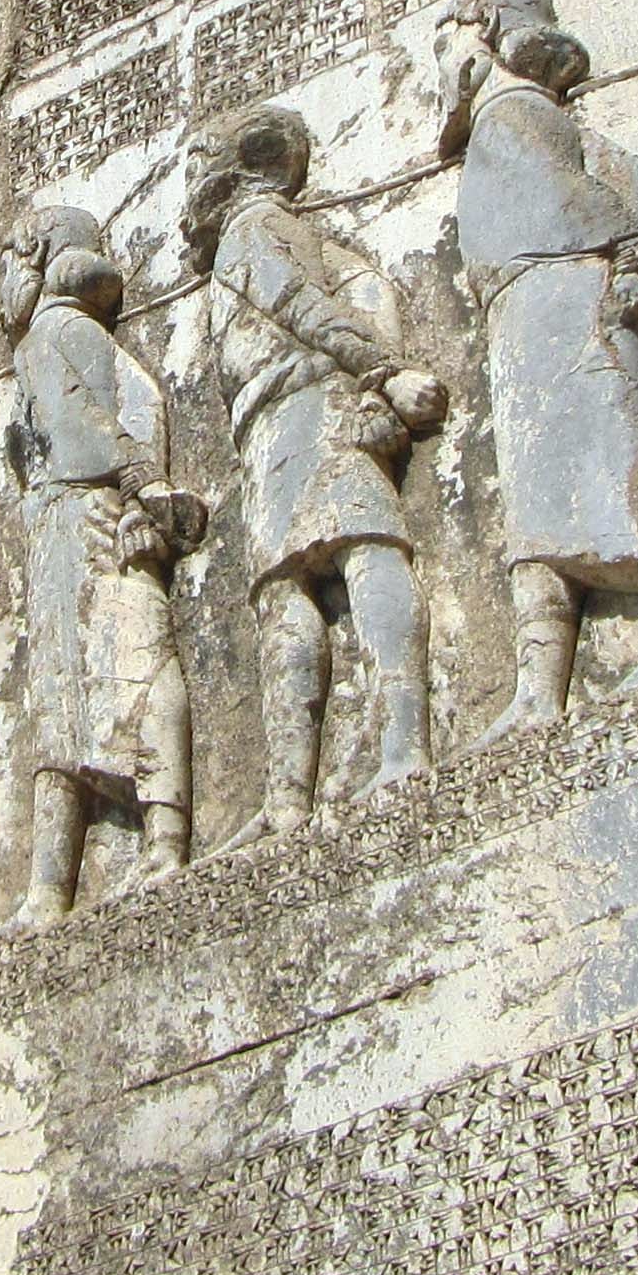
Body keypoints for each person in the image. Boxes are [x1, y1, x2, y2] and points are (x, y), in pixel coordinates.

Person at [434, 0, 638, 737]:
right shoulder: (504, 115)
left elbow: (579, 186)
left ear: (482, 30)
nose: (442, 61)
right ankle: (538, 691)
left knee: (631, 445)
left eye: (446, 40)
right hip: (520, 311)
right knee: (535, 499)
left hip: (567, 290)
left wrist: (633, 252)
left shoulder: (517, 110)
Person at [184, 105, 448, 835]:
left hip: (310, 402)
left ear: (238, 169)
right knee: (286, 590)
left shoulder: (253, 225)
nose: (188, 188)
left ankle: (398, 749)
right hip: (269, 424)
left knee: (364, 554)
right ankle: (287, 798)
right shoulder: (258, 233)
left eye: (198, 163)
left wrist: (383, 371)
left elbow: (302, 301)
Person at [0, 208, 203, 920]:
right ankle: (55, 886)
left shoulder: (58, 333)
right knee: (63, 704)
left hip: (91, 516)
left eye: (11, 259)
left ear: (37, 257)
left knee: (132, 672)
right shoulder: (51, 337)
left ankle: (155, 847)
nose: (4, 279)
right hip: (63, 526)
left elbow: (111, 416)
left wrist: (141, 493)